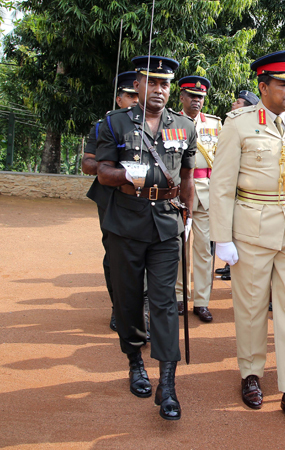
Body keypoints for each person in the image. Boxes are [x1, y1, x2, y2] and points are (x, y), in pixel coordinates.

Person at [209, 49, 285, 433]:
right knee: (252, 305)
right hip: (251, 229)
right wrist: (221, 239)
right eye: (282, 83)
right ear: (264, 86)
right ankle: (251, 373)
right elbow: (222, 186)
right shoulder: (239, 124)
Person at [95, 55, 196, 421]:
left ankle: (167, 383)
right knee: (126, 297)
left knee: (165, 301)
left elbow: (187, 177)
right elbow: (100, 169)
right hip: (126, 221)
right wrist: (123, 173)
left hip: (167, 224)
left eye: (165, 84)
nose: (158, 90)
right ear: (137, 85)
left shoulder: (184, 126)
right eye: (151, 82)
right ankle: (135, 361)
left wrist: (188, 213)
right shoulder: (115, 122)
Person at [82, 71, 139, 331]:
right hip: (110, 196)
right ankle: (119, 308)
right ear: (119, 99)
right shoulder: (104, 124)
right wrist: (113, 168)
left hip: (143, 196)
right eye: (130, 96)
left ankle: (144, 309)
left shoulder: (156, 123)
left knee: (147, 252)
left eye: (138, 95)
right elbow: (87, 163)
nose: (135, 100)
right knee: (115, 254)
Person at [174, 75, 222, 322]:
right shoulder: (171, 122)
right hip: (179, 192)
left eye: (201, 97)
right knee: (180, 247)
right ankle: (181, 296)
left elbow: (222, 161)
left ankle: (201, 301)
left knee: (204, 250)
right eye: (192, 96)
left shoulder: (215, 124)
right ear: (181, 97)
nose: (197, 100)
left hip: (206, 193)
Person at [217, 90, 261, 280]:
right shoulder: (232, 124)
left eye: (238, 102)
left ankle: (232, 264)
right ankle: (230, 264)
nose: (234, 105)